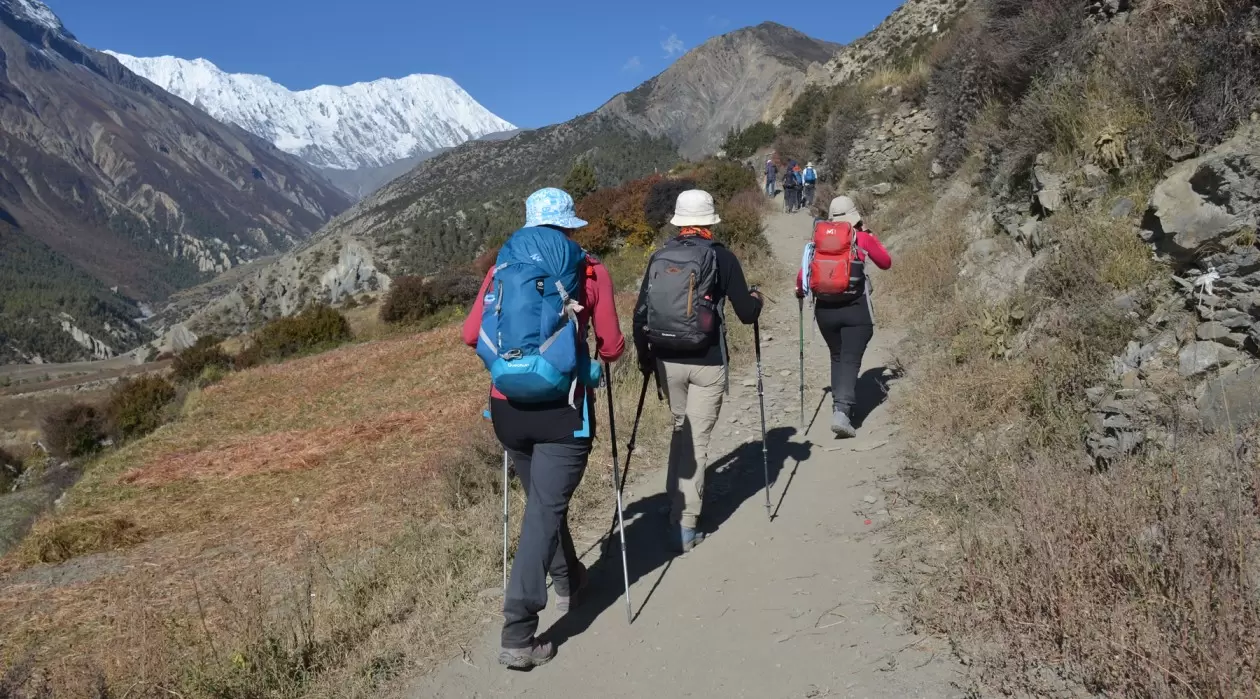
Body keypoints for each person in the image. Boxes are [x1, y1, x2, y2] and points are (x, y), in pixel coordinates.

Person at [463, 187, 626, 669]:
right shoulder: (590, 270)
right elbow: (612, 345)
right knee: (544, 513)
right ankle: (517, 633)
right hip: (563, 412)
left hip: (507, 410)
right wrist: (594, 358)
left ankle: (570, 579)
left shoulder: (501, 270)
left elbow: (472, 334)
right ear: (568, 227)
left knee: (544, 506)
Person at [634, 190, 763, 552]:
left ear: (679, 221)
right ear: (709, 221)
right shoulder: (721, 257)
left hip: (666, 359)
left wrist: (646, 360)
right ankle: (686, 524)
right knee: (697, 439)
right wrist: (757, 299)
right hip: (706, 361)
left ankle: (673, 502)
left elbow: (641, 313)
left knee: (681, 427)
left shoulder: (660, 256)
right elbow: (747, 314)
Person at [795, 196, 892, 438]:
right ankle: (842, 411)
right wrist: (869, 235)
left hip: (825, 310)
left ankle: (841, 402)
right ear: (854, 216)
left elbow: (801, 280)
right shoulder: (861, 238)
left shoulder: (818, 241)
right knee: (849, 358)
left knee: (838, 355)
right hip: (855, 309)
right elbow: (885, 262)